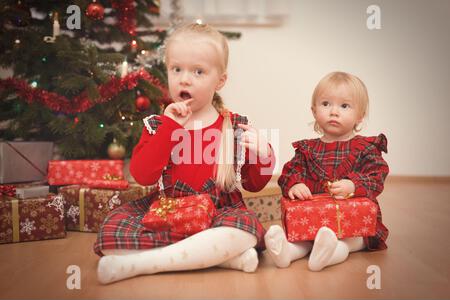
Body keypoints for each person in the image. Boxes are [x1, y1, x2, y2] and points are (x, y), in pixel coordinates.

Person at [94, 23, 275, 284]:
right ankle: (222, 258)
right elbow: (143, 176)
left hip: (218, 212)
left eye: (198, 71)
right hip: (167, 211)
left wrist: (263, 154)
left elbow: (255, 184)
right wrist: (169, 129)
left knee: (245, 229)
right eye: (176, 69)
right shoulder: (158, 125)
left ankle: (143, 264)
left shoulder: (233, 126)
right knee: (110, 234)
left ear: (220, 81)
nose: (184, 79)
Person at [265, 71, 389, 271]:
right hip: (314, 219)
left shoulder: (365, 149)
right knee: (305, 238)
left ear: (360, 116)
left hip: (353, 223)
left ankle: (329, 253)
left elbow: (376, 176)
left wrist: (353, 185)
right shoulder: (307, 150)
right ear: (314, 111)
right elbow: (289, 172)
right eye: (325, 104)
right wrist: (294, 184)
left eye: (344, 106)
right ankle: (286, 252)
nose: (334, 112)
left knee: (350, 241)